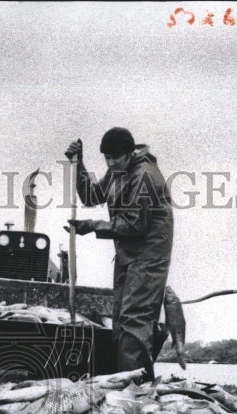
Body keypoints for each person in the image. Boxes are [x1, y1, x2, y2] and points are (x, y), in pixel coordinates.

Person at [65, 127, 174, 382]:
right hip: (127, 254)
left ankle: (133, 390)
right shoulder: (118, 170)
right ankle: (128, 382)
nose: (111, 164)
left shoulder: (145, 176)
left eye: (116, 158)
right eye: (107, 159)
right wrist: (78, 164)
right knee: (120, 323)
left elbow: (135, 224)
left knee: (134, 321)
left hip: (149, 257)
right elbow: (92, 196)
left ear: (129, 154)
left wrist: (92, 226)